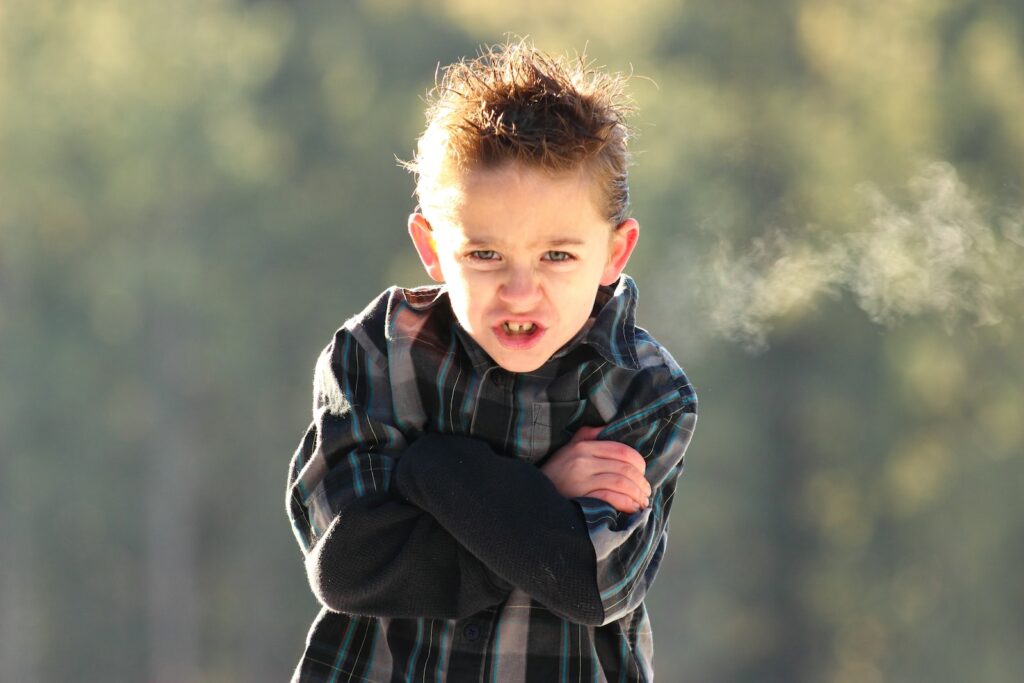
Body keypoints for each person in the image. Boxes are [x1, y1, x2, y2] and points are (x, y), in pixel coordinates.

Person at [286, 38, 698, 682]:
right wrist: (545, 493)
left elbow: (590, 585)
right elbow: (350, 568)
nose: (520, 291)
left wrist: (431, 468)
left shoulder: (645, 391)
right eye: (485, 255)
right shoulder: (378, 352)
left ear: (615, 253)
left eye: (557, 255)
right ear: (431, 247)